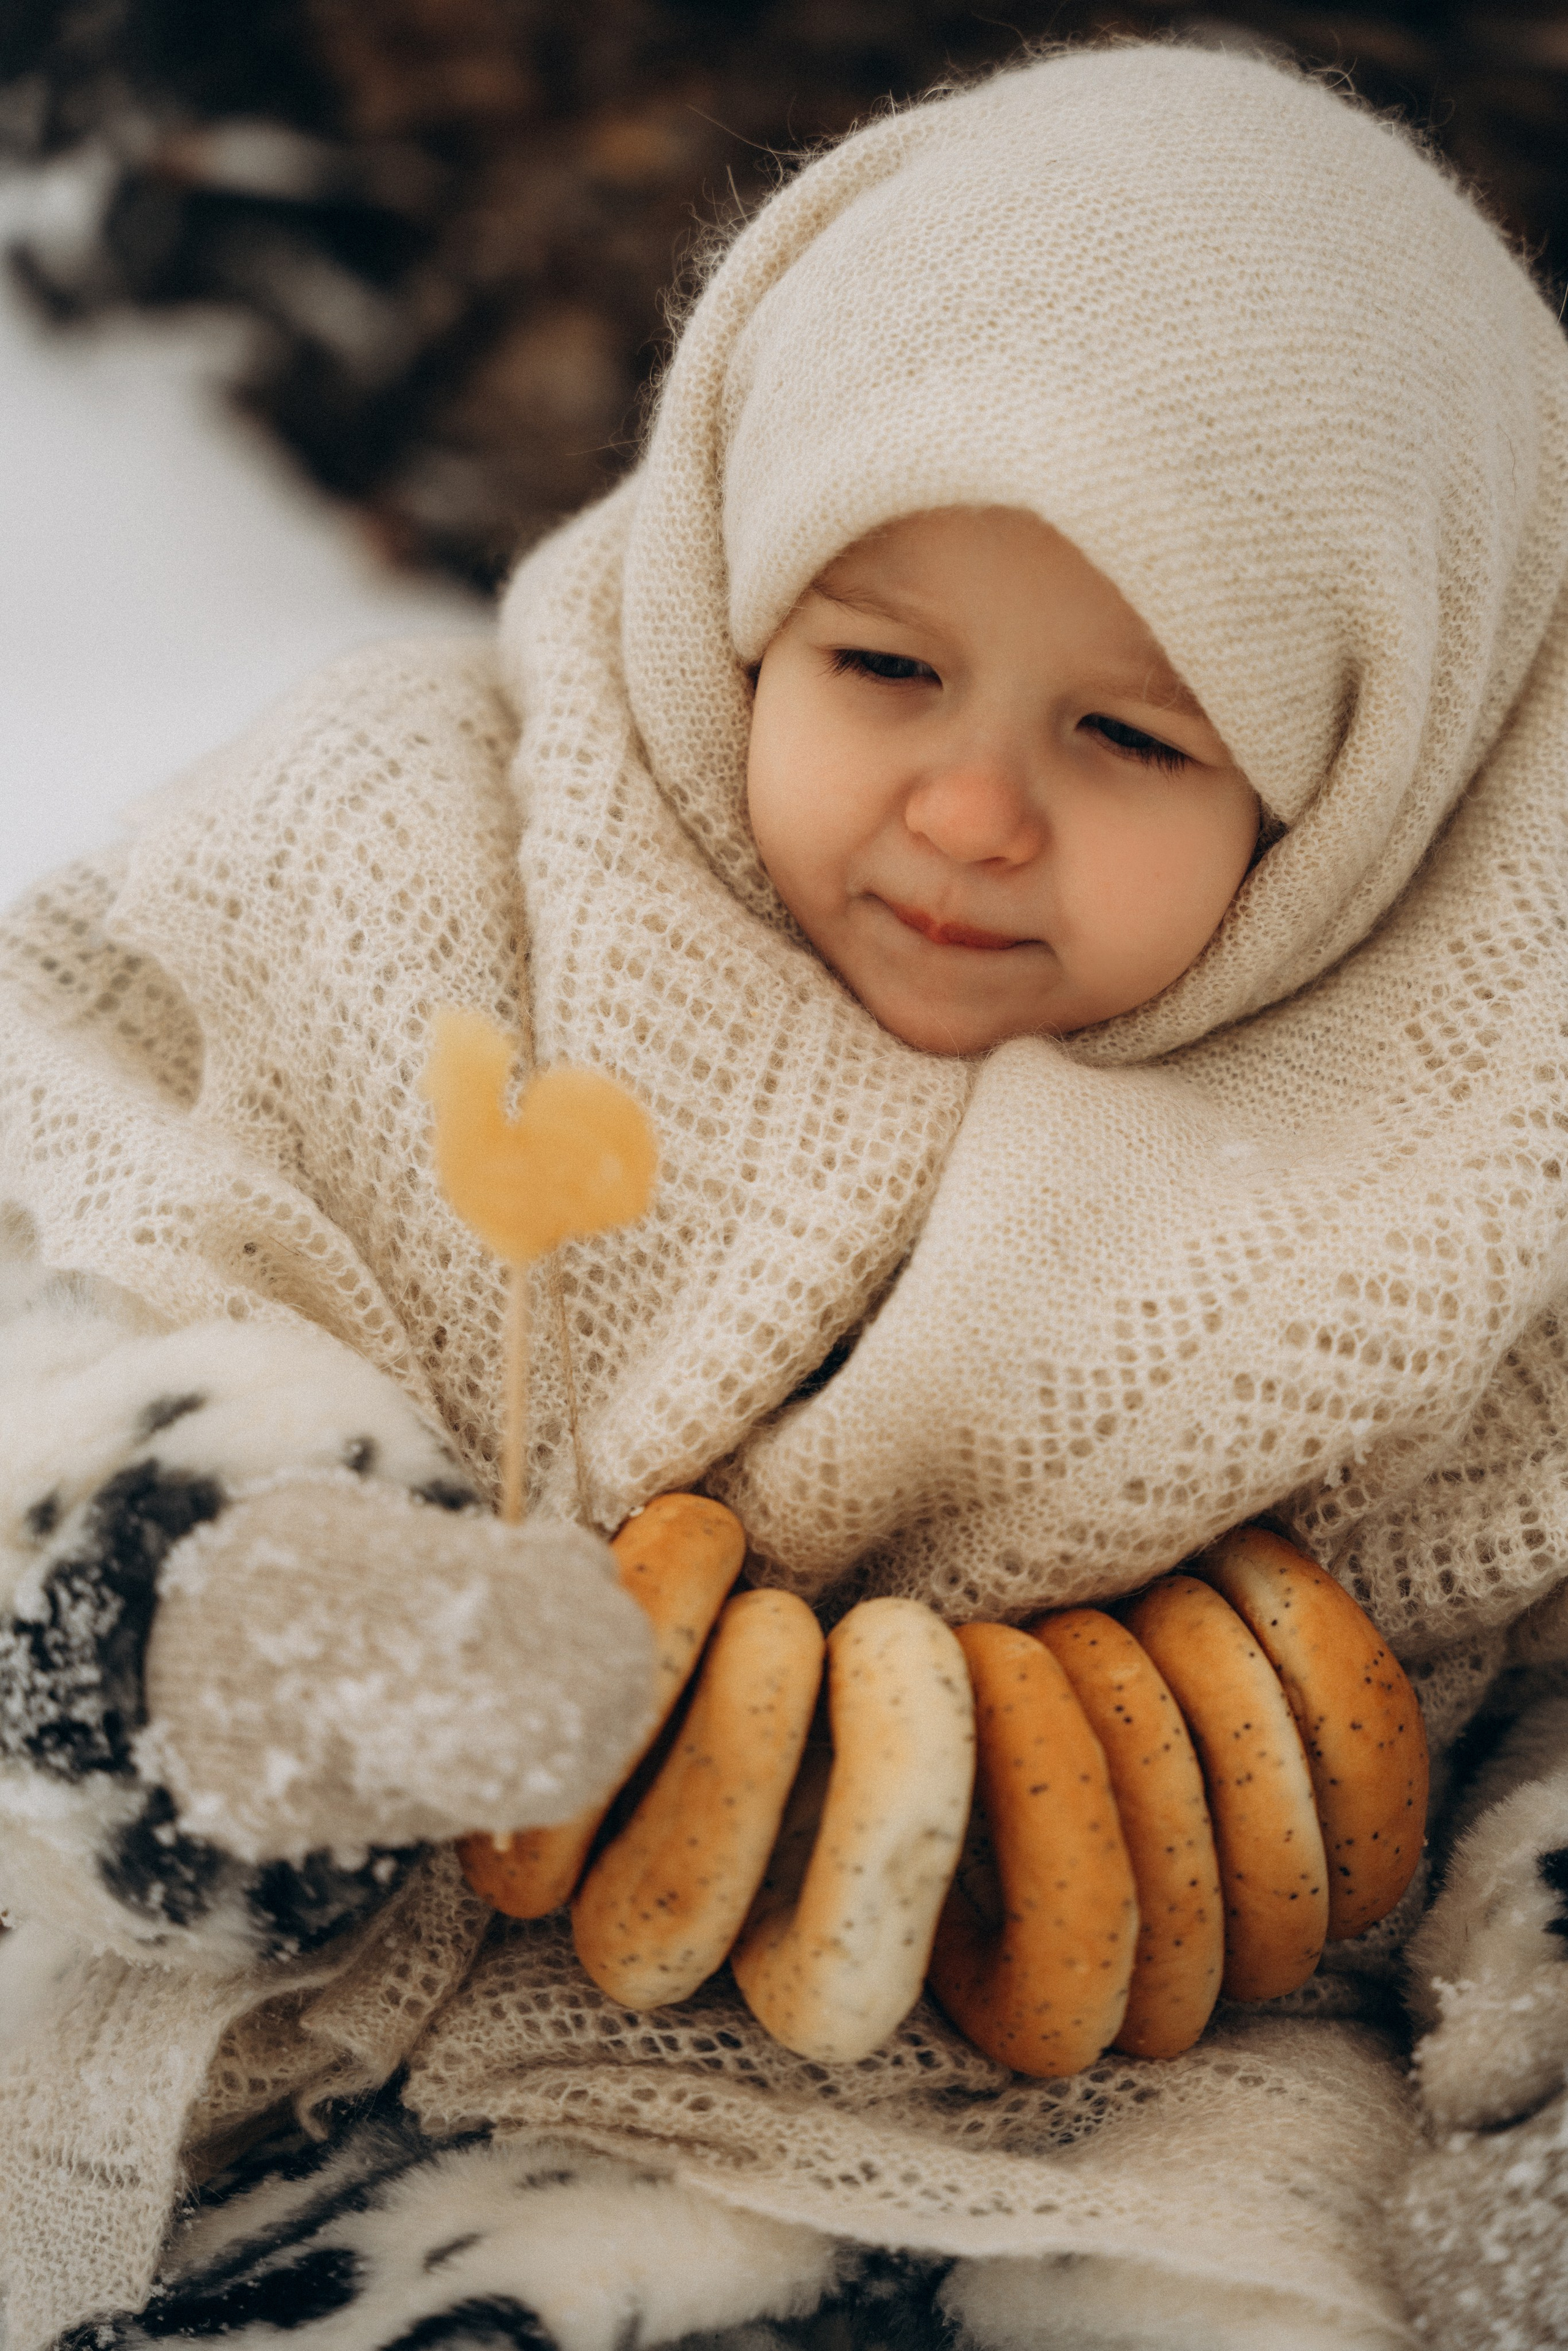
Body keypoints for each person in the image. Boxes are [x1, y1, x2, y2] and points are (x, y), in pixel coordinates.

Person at [2, 36, 1567, 2351]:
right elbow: (85, 1226)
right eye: (883, 666)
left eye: (1131, 735)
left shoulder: (1484, 1165)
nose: (964, 811)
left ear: (1381, 777)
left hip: (1135, 2133)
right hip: (343, 2045)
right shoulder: (415, 868)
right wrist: (226, 1602)